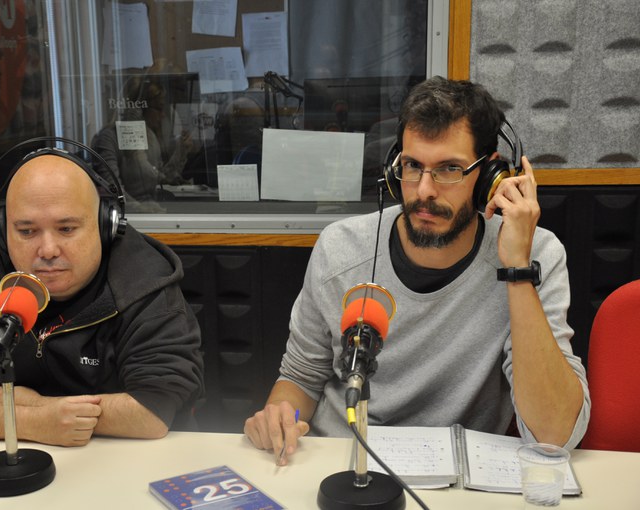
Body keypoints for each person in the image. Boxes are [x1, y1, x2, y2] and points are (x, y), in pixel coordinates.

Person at [243, 76, 590, 464]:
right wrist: (281, 419)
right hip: (341, 461)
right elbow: (301, 378)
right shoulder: (341, 248)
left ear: (491, 177)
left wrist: (517, 271)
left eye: (449, 169)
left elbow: (555, 434)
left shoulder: (534, 254)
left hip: (454, 476)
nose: (424, 190)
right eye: (412, 166)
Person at [0, 149, 204, 447]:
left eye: (66, 229)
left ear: (106, 225)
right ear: (0, 231)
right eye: (27, 231)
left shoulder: (145, 288)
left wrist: (40, 406)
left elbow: (152, 410)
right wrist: (32, 421)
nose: (48, 250)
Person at [91, 75, 194, 212]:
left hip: (151, 209)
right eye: (158, 109)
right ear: (139, 109)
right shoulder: (108, 139)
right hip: (125, 215)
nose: (163, 115)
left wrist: (181, 151)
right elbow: (113, 189)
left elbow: (162, 177)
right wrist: (140, 209)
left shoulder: (150, 137)